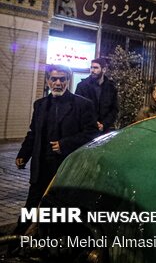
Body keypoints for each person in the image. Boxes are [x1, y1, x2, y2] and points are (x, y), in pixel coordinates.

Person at [14, 65, 98, 235]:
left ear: (68, 81)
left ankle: (55, 245)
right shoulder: (40, 105)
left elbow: (91, 133)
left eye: (62, 79)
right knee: (31, 206)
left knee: (62, 211)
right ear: (48, 81)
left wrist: (65, 144)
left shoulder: (83, 105)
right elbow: (33, 133)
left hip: (65, 168)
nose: (58, 83)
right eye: (54, 79)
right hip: (41, 166)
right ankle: (16, 243)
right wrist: (23, 154)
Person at [75, 57, 119, 133]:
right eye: (91, 67)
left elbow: (114, 110)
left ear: (104, 70)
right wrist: (92, 123)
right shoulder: (82, 86)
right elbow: (77, 108)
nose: (92, 70)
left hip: (104, 131)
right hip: (85, 130)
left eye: (95, 68)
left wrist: (104, 124)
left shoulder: (111, 88)